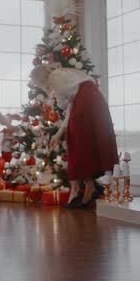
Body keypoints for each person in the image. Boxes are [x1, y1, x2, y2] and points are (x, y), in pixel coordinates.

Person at [30, 64, 118, 207]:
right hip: (92, 101)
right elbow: (71, 108)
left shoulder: (55, 79)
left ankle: (79, 189)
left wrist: (58, 132)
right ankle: (88, 187)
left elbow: (65, 105)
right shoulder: (65, 78)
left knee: (77, 141)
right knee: (82, 141)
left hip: (87, 103)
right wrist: (58, 134)